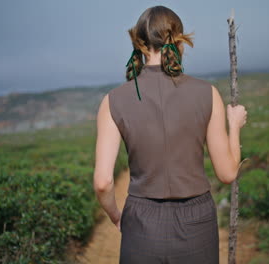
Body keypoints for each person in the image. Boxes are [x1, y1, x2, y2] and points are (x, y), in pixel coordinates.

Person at [93, 5, 247, 264]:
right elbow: (228, 173)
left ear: (139, 43)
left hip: (141, 224)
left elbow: (102, 183)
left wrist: (117, 216)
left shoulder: (112, 101)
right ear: (178, 42)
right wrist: (235, 127)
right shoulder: (207, 93)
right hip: (197, 222)